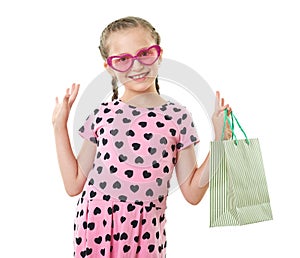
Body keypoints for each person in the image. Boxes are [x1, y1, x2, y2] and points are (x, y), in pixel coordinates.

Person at [52, 16, 232, 258]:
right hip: (95, 230)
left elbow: (192, 192)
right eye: (123, 59)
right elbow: (73, 184)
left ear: (159, 54)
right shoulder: (103, 114)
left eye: (145, 53)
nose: (136, 66)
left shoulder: (178, 117)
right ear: (109, 66)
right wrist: (58, 125)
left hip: (146, 236)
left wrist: (221, 142)